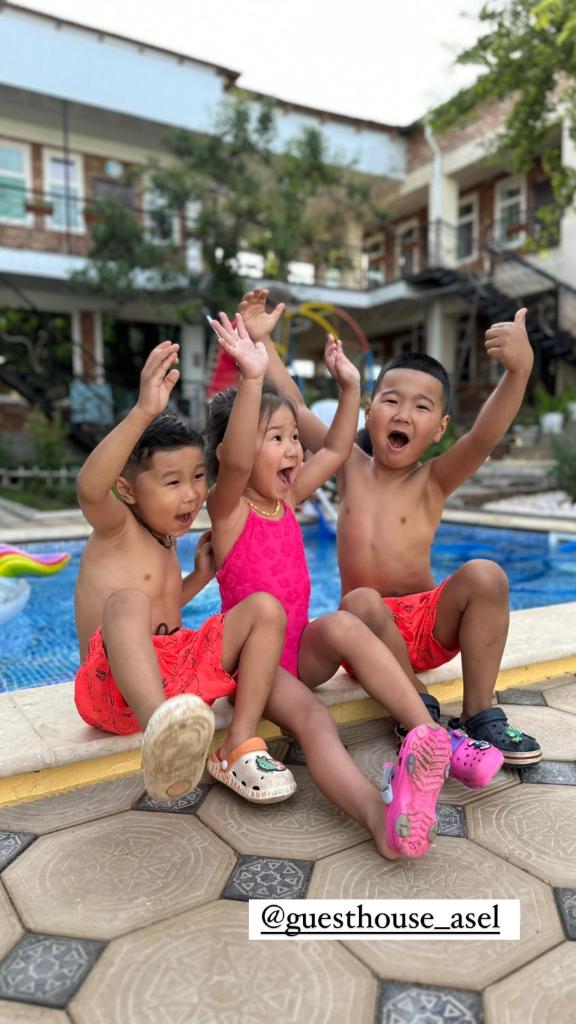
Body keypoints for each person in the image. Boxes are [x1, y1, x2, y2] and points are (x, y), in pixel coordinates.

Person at [241, 288, 542, 766]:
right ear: (368, 412)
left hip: (427, 626)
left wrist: (518, 372)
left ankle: (479, 712)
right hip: (368, 635)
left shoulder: (434, 480)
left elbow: (483, 437)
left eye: (421, 407)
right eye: (392, 400)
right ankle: (415, 703)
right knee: (360, 599)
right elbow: (295, 408)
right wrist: (263, 344)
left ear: (439, 428)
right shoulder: (346, 463)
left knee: (487, 575)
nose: (403, 414)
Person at [205, 310, 454, 860]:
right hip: (257, 667)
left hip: (299, 652)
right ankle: (378, 821)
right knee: (316, 721)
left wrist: (351, 389)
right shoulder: (229, 509)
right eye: (277, 438)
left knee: (343, 623)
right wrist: (253, 378)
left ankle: (426, 735)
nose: (295, 450)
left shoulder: (288, 498)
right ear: (235, 451)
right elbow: (237, 460)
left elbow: (338, 450)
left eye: (295, 438)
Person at [74, 339, 296, 805]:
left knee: (264, 609)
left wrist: (197, 577)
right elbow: (90, 489)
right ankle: (163, 737)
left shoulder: (166, 536)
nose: (192, 495)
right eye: (172, 482)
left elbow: (163, 611)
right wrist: (143, 411)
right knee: (127, 600)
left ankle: (238, 744)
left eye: (198, 477)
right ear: (127, 490)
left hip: (176, 680)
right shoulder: (115, 527)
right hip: (116, 690)